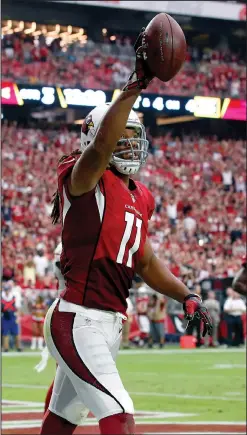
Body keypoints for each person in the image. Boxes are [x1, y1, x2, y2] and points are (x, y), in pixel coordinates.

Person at [40, 28, 212, 435]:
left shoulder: (141, 195)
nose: (130, 145)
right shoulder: (82, 176)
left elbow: (146, 260)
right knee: (120, 414)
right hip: (77, 317)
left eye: (135, 138)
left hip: (109, 320)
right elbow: (99, 150)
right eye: (123, 136)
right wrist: (136, 84)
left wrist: (184, 293)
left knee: (63, 419)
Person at [1, 281, 22, 352]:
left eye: (8, 290)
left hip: (13, 316)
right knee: (5, 333)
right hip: (5, 316)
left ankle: (18, 347)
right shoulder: (2, 297)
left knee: (16, 333)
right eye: (5, 290)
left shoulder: (14, 297)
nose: (6, 291)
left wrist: (18, 317)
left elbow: (18, 308)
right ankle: (6, 347)